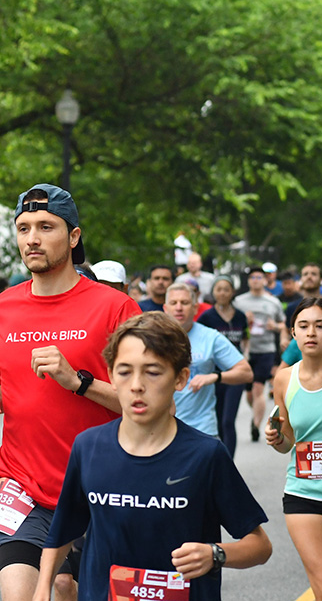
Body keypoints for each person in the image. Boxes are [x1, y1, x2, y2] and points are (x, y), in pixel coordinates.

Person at [32, 312, 271, 601]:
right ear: (110, 375)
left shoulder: (206, 455)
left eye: (153, 371)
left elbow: (260, 545)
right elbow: (63, 532)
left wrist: (216, 553)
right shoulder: (88, 446)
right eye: (124, 371)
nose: (136, 385)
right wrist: (42, 588)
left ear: (181, 378)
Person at [0, 183, 142, 601]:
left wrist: (79, 381)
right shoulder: (3, 308)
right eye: (24, 228)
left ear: (74, 236)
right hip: (23, 490)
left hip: (104, 489)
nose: (32, 238)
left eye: (46, 226)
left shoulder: (114, 308)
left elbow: (150, 404)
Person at [265, 299, 322, 601]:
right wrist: (278, 438)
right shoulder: (284, 378)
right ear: (293, 332)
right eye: (303, 326)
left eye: (320, 325)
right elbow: (288, 441)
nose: (311, 333)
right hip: (304, 495)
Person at [164, 283, 253, 437]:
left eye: (184, 303)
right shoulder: (153, 338)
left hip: (201, 429)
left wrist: (214, 377)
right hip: (162, 430)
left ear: (195, 308)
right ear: (165, 308)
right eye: (174, 303)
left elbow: (246, 373)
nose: (179, 308)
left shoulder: (211, 337)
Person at [197, 276, 249, 456]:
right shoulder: (206, 317)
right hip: (212, 375)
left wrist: (244, 359)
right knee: (218, 420)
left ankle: (230, 464)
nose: (222, 293)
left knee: (228, 421)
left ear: (232, 292)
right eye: (218, 289)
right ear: (213, 292)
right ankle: (220, 462)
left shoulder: (241, 316)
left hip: (235, 375)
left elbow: (245, 339)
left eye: (226, 289)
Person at [233, 266, 286, 441]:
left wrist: (275, 327)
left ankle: (256, 425)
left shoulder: (272, 302)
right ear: (248, 281)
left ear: (265, 280)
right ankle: (255, 413)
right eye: (253, 277)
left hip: (266, 350)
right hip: (246, 351)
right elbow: (231, 324)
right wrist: (243, 321)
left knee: (258, 389)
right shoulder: (239, 302)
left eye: (259, 277)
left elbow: (283, 324)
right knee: (249, 394)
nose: (256, 280)